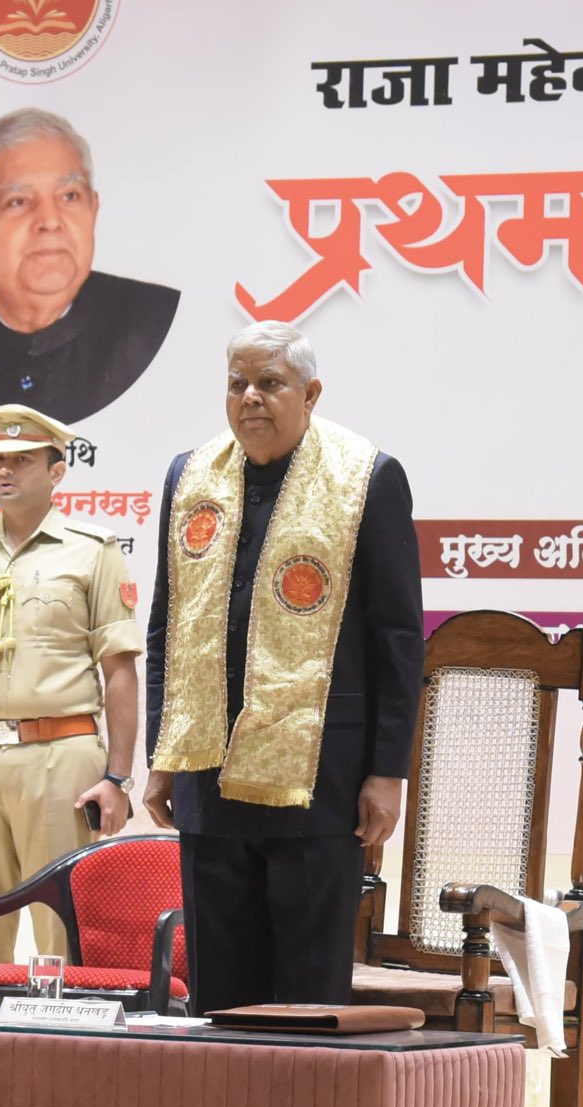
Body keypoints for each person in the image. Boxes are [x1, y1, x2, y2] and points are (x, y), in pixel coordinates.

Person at [142, 320, 423, 1013]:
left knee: (306, 996)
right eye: (237, 384)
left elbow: (398, 638)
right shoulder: (191, 476)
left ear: (311, 392)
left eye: (270, 383)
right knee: (220, 998)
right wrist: (161, 755)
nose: (251, 399)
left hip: (320, 783)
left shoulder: (367, 478)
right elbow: (166, 625)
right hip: (208, 774)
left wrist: (387, 771)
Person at [0, 404, 141, 970]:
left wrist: (117, 777)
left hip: (59, 760)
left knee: (61, 934)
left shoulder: (92, 550)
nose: (5, 471)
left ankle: (65, 1051)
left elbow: (119, 669)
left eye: (22, 459)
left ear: (57, 470)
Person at [0, 108, 180, 426]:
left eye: (69, 196)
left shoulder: (153, 321)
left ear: (93, 212)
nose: (50, 221)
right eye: (19, 201)